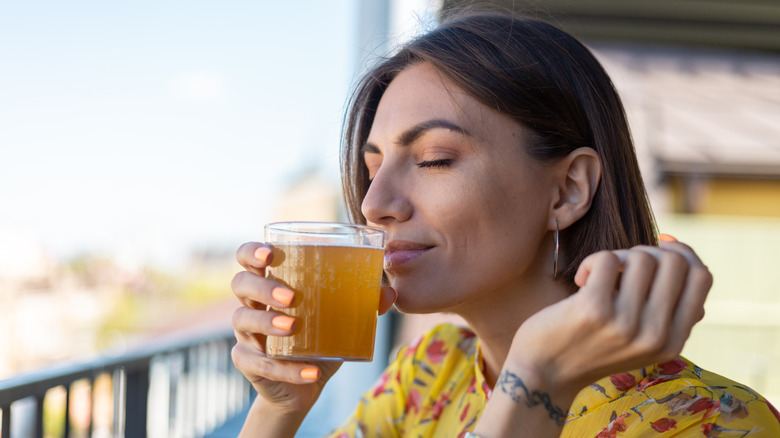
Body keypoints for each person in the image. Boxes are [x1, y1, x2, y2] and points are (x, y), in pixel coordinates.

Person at [230, 9, 780, 438]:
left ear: (567, 189)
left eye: (434, 159)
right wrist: (280, 406)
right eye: (371, 169)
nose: (374, 203)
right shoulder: (433, 372)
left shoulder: (713, 424)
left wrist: (537, 382)